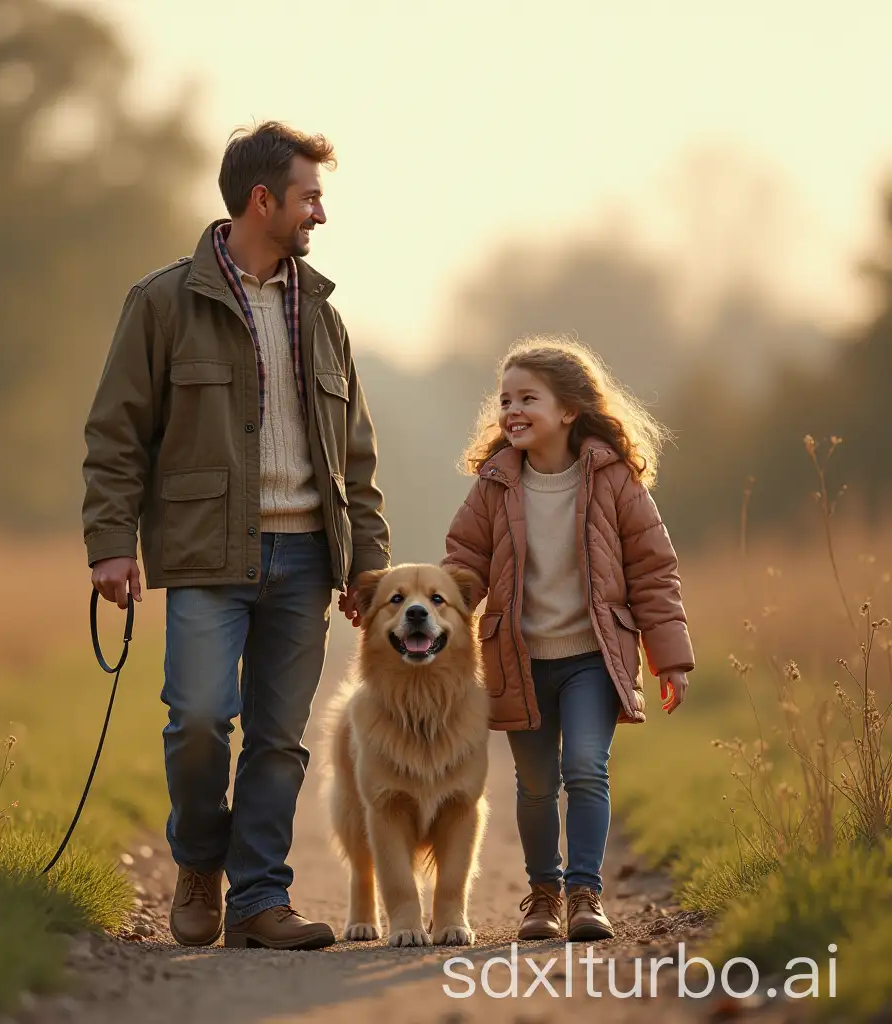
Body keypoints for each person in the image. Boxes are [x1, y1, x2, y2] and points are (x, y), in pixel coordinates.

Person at [81, 121, 390, 950]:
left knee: (280, 740)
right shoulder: (161, 302)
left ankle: (259, 899)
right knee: (198, 719)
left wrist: (369, 568)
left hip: (306, 560)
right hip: (206, 556)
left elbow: (356, 454)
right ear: (264, 200)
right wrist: (112, 544)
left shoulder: (324, 315)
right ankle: (198, 862)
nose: (319, 214)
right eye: (310, 196)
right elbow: (117, 434)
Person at [441, 336, 694, 943]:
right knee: (533, 786)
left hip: (592, 658)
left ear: (569, 410)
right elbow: (462, 565)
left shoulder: (614, 481)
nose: (512, 411)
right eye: (504, 400)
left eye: (528, 397)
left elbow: (654, 571)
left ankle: (585, 893)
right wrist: (436, 636)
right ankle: (543, 894)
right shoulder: (494, 485)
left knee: (585, 768)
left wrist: (670, 658)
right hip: (519, 658)